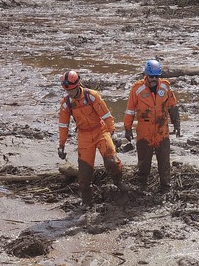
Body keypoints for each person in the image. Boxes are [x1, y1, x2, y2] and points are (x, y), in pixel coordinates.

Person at [57, 69, 126, 206]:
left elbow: (106, 115)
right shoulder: (66, 103)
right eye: (67, 91)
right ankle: (87, 203)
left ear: (78, 85)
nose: (70, 93)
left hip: (101, 131)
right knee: (84, 174)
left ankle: (119, 182)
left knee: (112, 160)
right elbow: (63, 125)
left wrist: (113, 132)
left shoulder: (92, 96)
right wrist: (62, 144)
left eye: (71, 90)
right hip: (84, 136)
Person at [123, 59, 180, 192]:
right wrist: (127, 128)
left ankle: (165, 187)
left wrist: (176, 123)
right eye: (151, 76)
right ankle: (142, 185)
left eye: (156, 76)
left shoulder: (165, 87)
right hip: (144, 131)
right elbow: (130, 110)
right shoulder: (137, 89)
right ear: (146, 75)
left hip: (162, 130)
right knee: (144, 161)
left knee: (164, 161)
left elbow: (173, 106)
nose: (154, 79)